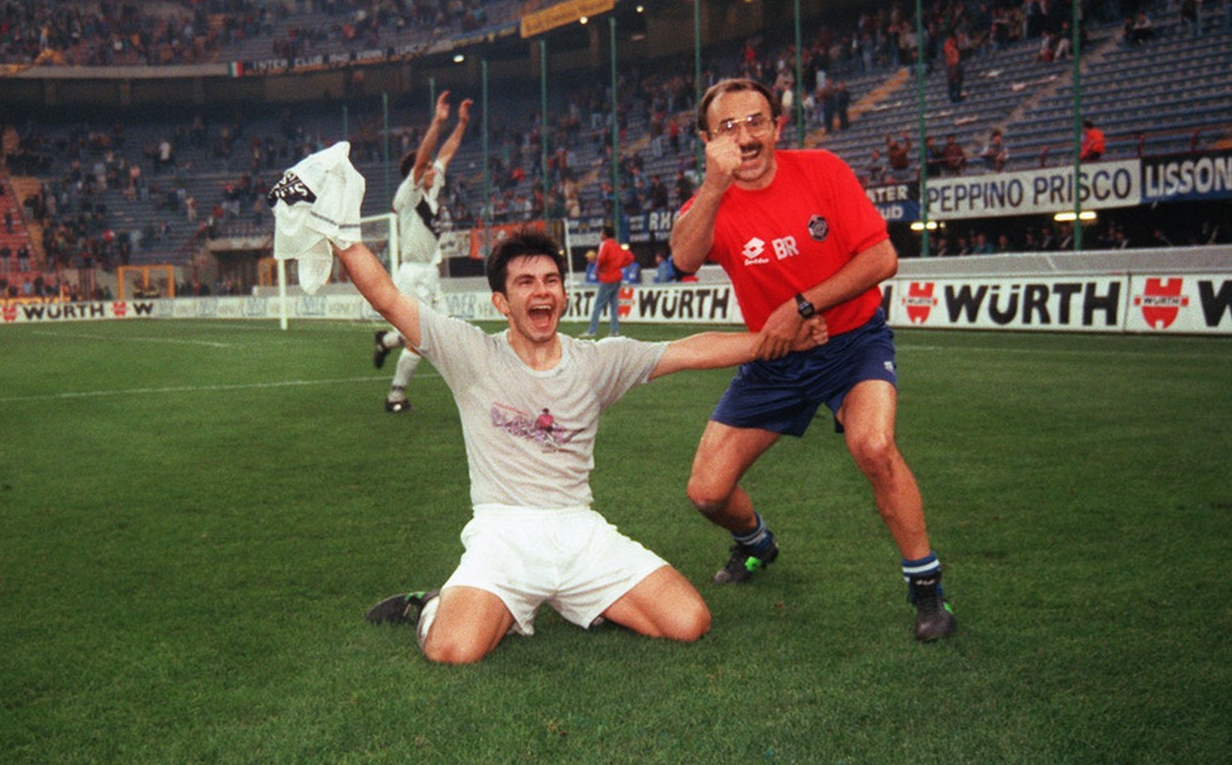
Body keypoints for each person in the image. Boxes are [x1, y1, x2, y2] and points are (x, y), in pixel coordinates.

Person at [339, 226, 827, 663]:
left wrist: (772, 340)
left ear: (564, 293)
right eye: (525, 283)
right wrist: (340, 232)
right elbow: (387, 297)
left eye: (551, 281)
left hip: (578, 529)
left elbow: (688, 351)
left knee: (688, 622)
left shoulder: (596, 362)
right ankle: (432, 606)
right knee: (454, 650)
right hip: (503, 533)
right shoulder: (471, 353)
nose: (541, 292)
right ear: (501, 303)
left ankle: (576, 601)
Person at [669, 77, 956, 643]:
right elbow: (683, 256)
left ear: (777, 127)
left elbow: (881, 257)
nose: (744, 137)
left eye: (755, 122)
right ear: (707, 141)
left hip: (852, 344)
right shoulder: (713, 200)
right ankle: (758, 544)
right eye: (727, 128)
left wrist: (799, 307)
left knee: (873, 446)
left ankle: (928, 593)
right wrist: (712, 184)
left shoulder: (822, 170)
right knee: (706, 492)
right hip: (776, 361)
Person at [371, 90, 472, 413]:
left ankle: (386, 341)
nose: (433, 171)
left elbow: (446, 154)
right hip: (413, 275)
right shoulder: (410, 194)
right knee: (421, 339)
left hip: (429, 273)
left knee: (445, 333)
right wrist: (437, 122)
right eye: (427, 169)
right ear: (416, 174)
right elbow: (426, 157)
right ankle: (395, 397)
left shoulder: (431, 189)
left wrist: (460, 124)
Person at [580, 224, 634, 338]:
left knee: (598, 305)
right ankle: (614, 331)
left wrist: (598, 269)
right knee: (614, 306)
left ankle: (592, 330)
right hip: (617, 277)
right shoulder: (617, 245)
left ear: (604, 234)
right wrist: (619, 265)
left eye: (601, 232)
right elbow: (630, 257)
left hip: (607, 277)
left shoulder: (605, 245)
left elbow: (601, 259)